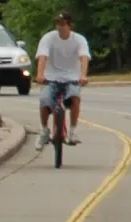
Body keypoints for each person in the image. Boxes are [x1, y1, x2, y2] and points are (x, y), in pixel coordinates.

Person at [35, 11, 90, 150]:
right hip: (51, 78)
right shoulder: (48, 38)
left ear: (69, 25)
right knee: (44, 100)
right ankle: (44, 130)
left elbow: (84, 57)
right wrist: (40, 75)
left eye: (63, 24)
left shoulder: (79, 40)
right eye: (57, 24)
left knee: (75, 97)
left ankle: (72, 131)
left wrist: (83, 75)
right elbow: (42, 57)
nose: (59, 27)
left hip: (71, 78)